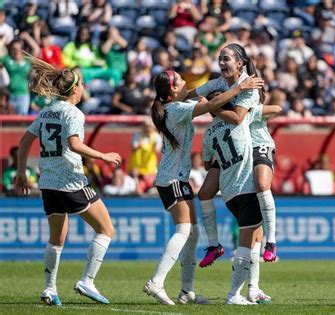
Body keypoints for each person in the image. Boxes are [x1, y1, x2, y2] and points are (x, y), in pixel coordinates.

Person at [142, 70, 264, 305]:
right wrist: (240, 87)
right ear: (173, 90)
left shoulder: (174, 106)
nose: (185, 82)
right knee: (184, 230)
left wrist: (218, 84)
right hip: (172, 180)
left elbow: (206, 96)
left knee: (193, 232)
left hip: (178, 178)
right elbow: (213, 105)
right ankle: (156, 282)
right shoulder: (176, 110)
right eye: (180, 80)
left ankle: (187, 291)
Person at [15, 55, 122, 306]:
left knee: (56, 239)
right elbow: (75, 144)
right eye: (82, 83)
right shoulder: (73, 113)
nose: (84, 87)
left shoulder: (46, 111)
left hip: (48, 182)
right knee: (106, 229)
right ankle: (87, 280)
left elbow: (24, 142)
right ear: (75, 89)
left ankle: (50, 289)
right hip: (71, 182)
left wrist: (21, 172)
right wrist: (104, 156)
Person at [189, 43, 279, 267]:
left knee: (261, 184)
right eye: (220, 58)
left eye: (226, 59)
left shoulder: (248, 84)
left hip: (256, 142)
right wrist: (171, 96)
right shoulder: (219, 83)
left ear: (240, 63)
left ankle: (272, 242)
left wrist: (210, 106)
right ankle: (213, 245)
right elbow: (191, 95)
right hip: (232, 145)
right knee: (205, 192)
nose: (221, 63)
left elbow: (238, 118)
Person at [202, 89, 282, 305]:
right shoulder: (242, 118)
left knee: (255, 237)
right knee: (247, 244)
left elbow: (207, 164)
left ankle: (253, 289)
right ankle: (233, 295)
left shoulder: (208, 132)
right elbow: (277, 108)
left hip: (228, 193)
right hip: (246, 188)